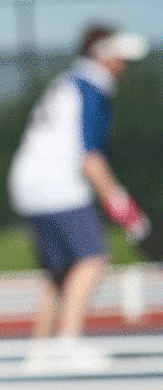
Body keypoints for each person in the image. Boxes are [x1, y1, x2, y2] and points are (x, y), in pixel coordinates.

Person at [8, 25, 149, 367]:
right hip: (58, 184)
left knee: (59, 271)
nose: (123, 65)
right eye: (119, 58)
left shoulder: (68, 82)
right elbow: (91, 158)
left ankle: (39, 350)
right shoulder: (92, 89)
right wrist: (124, 208)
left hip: (27, 182)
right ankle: (68, 342)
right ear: (101, 54)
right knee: (92, 259)